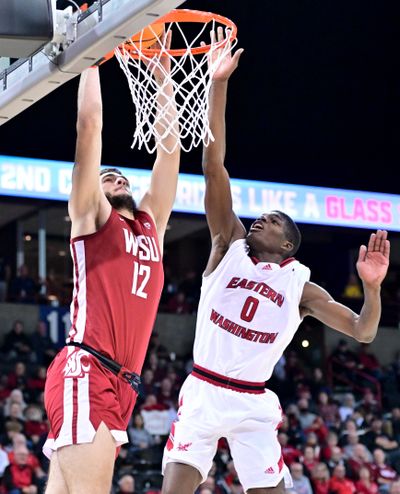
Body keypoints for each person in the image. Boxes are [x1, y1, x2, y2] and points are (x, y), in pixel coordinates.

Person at [161, 28, 390, 494]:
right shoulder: (228, 242)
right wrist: (219, 85)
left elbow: (365, 332)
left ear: (289, 246)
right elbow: (213, 163)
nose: (260, 220)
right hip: (204, 389)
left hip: (251, 402)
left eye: (272, 221)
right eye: (260, 218)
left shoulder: (301, 287)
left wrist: (371, 288)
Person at [42, 30, 180, 494]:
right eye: (105, 176)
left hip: (121, 384)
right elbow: (90, 129)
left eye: (119, 174)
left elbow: (169, 151)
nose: (114, 175)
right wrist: (90, 59)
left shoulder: (148, 226)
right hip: (89, 369)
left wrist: (162, 76)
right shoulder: (90, 219)